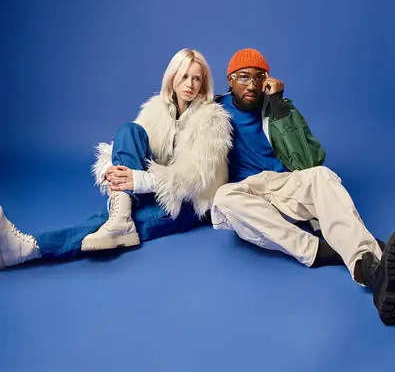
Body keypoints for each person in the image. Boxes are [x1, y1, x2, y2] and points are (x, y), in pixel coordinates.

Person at [211, 48, 395, 326]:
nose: (251, 85)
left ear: (267, 80)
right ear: (229, 79)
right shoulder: (211, 111)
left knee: (321, 175)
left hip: (284, 183)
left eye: (258, 77)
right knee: (222, 198)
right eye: (243, 77)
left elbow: (309, 162)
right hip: (245, 191)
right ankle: (327, 251)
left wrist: (278, 105)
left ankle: (371, 271)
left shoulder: (278, 107)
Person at [0, 48, 232, 269]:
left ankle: (29, 248)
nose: (189, 84)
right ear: (172, 78)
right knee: (129, 131)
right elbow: (126, 149)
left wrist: (138, 181)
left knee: (108, 226)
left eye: (196, 79)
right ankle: (121, 216)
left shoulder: (212, 119)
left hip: (186, 205)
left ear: (203, 84)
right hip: (153, 189)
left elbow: (194, 180)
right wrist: (112, 170)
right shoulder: (156, 109)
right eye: (184, 76)